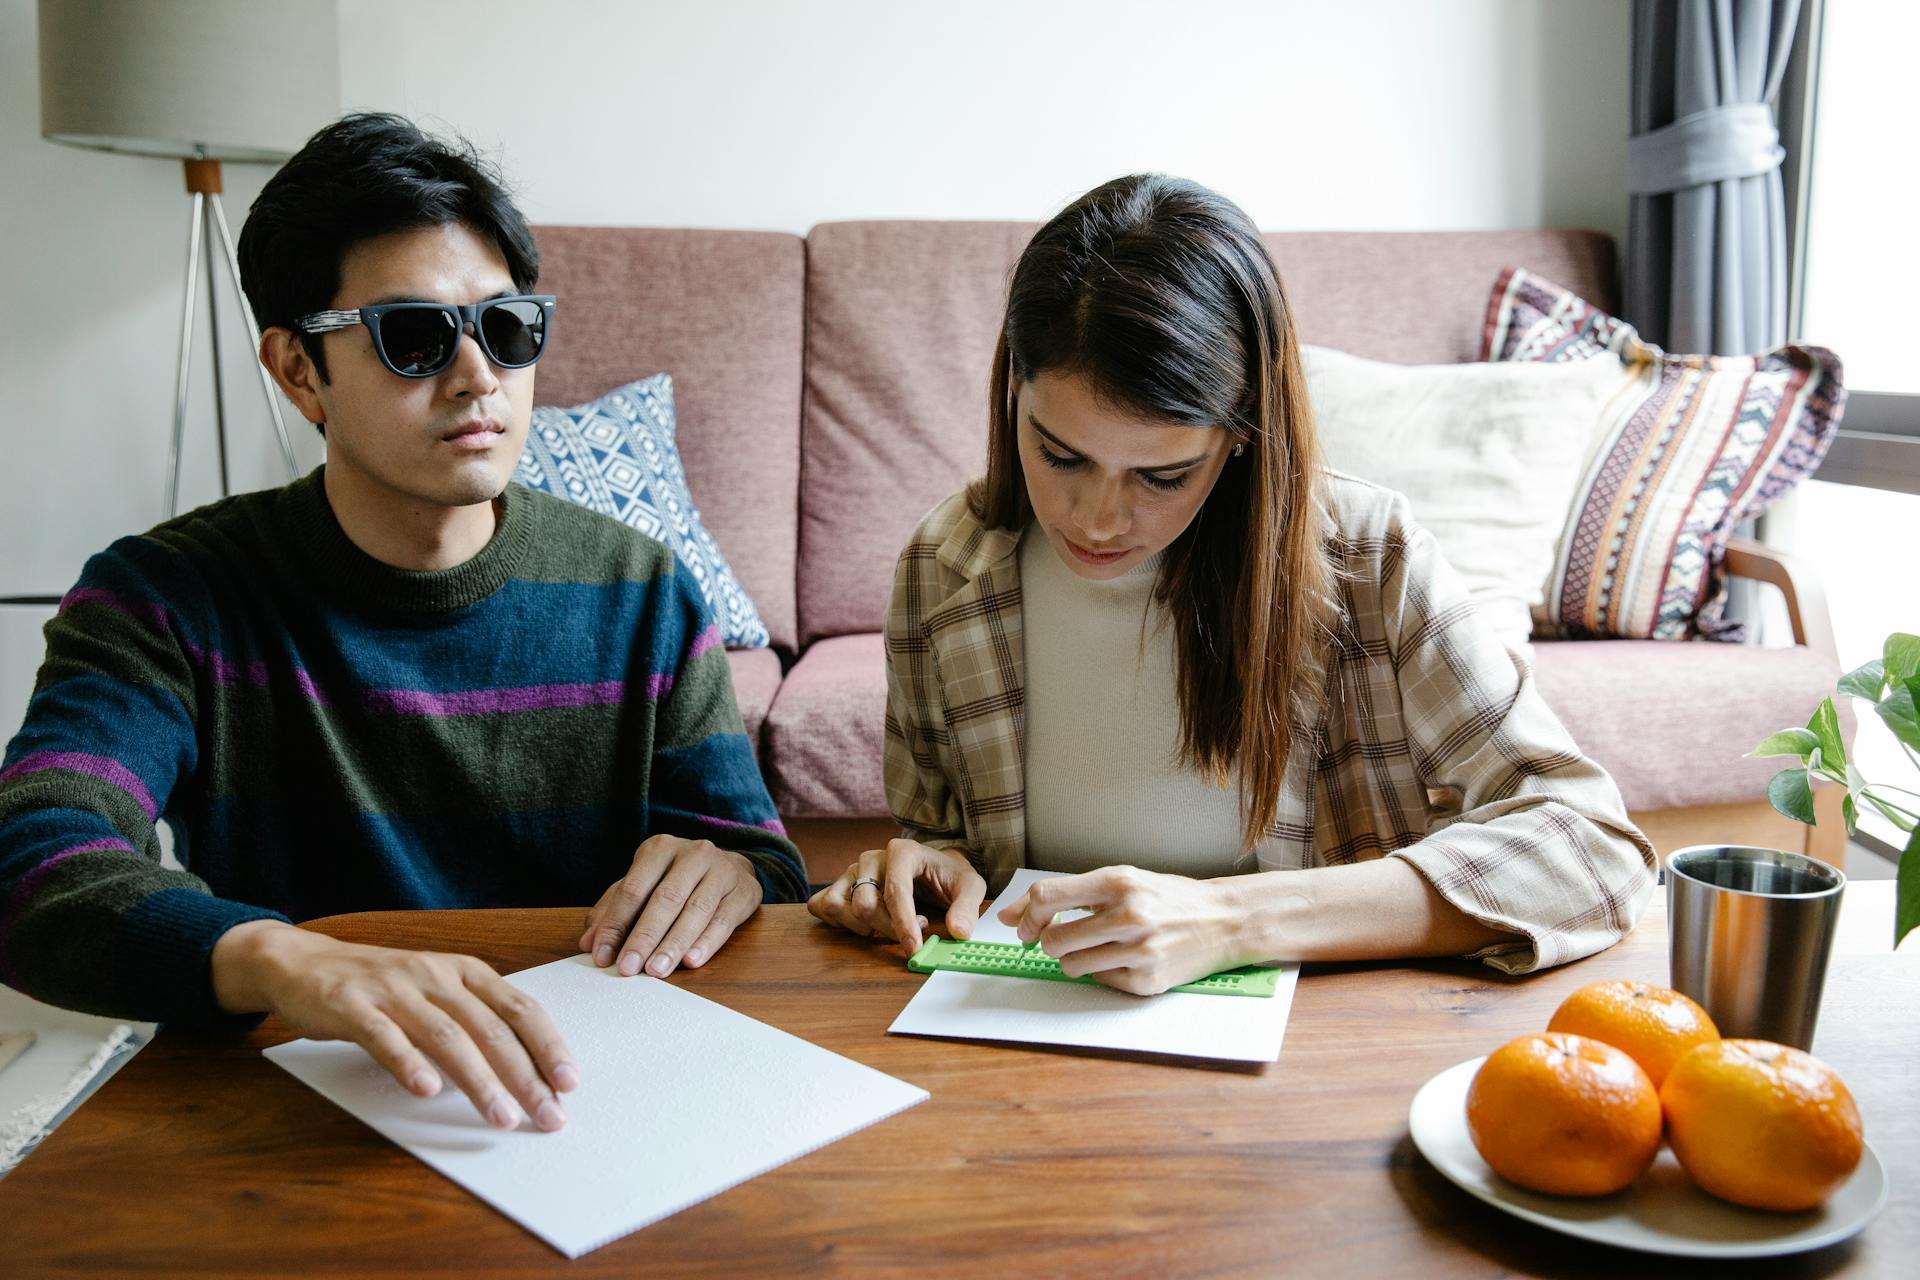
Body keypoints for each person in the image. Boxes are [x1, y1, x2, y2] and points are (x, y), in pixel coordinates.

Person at [0, 114, 806, 1133]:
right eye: (414, 337)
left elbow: (764, 861)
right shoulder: (164, 596)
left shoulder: (638, 587)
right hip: (309, 1104)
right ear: (298, 372)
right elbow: (30, 855)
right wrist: (282, 956)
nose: (479, 376)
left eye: (507, 327)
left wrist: (730, 867)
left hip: (586, 1106)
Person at [809, 174, 1656, 991]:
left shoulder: (1370, 558)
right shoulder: (941, 570)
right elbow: (939, 838)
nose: (1098, 518)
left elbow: (1594, 850)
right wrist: (924, 870)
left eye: (1163, 476)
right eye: (1060, 454)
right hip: (1017, 1047)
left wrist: (1236, 922)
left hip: (1304, 1062)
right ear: (1012, 393)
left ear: (1242, 436)